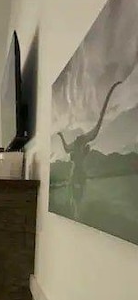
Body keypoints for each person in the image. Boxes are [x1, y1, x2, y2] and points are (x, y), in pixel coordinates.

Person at [57, 80, 123, 218]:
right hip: (75, 175)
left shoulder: (79, 148)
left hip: (79, 175)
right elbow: (67, 149)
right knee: (74, 198)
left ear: (84, 150)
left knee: (77, 198)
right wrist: (61, 136)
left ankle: (77, 213)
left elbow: (98, 125)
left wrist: (62, 137)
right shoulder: (76, 149)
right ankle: (76, 212)